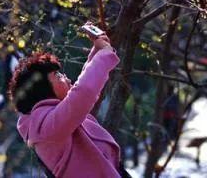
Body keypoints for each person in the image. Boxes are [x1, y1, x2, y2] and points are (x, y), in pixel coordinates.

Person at [9, 23, 129, 177]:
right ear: (43, 91)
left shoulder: (47, 121)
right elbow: (83, 92)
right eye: (58, 76)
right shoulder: (46, 127)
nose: (65, 77)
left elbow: (81, 91)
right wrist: (103, 55)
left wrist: (98, 51)